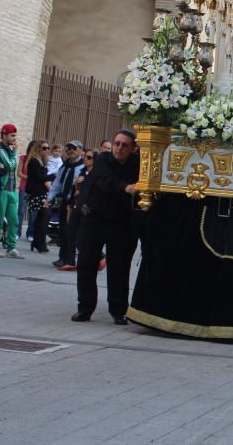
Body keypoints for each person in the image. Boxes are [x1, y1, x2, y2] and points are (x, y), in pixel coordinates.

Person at [72, 130, 141, 325]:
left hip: (121, 223)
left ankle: (119, 311)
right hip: (94, 219)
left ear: (133, 148)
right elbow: (104, 181)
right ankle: (85, 308)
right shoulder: (103, 160)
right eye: (117, 143)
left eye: (124, 145)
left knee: (120, 268)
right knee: (86, 264)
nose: (119, 148)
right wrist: (126, 188)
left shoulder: (137, 164)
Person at [49, 140, 86, 269]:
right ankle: (64, 258)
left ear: (81, 150)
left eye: (74, 148)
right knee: (64, 230)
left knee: (73, 232)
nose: (71, 150)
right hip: (65, 201)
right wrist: (49, 198)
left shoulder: (83, 167)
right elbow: (57, 183)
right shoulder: (64, 166)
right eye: (69, 148)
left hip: (76, 203)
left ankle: (71, 260)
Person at [0, 124, 20, 257]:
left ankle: (11, 247)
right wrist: (14, 153)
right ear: (4, 135)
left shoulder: (11, 149)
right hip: (2, 189)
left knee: (14, 219)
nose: (14, 138)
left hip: (12, 189)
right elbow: (10, 165)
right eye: (12, 136)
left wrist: (13, 152)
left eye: (15, 136)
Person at [25, 139, 53, 254]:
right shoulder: (34, 162)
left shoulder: (42, 162)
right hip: (37, 194)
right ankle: (39, 242)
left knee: (43, 218)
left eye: (48, 148)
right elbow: (40, 177)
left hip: (42, 193)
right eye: (44, 148)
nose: (46, 150)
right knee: (42, 217)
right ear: (38, 149)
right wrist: (53, 176)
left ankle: (38, 242)